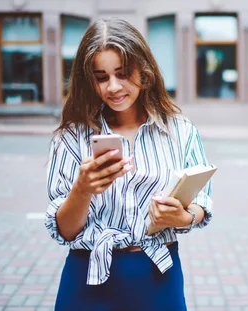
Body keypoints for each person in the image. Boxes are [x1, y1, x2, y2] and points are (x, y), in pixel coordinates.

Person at [45, 18, 213, 311]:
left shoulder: (181, 130)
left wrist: (182, 218)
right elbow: (67, 231)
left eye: (122, 74)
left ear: (144, 73)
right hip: (87, 276)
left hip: (158, 275)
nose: (113, 86)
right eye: (101, 77)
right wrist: (82, 190)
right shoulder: (72, 137)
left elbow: (201, 203)